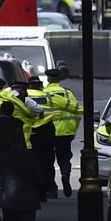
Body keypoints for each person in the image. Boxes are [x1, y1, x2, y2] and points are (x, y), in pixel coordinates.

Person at [43, 68, 83, 197]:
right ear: (59, 79)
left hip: (48, 131)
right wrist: (74, 129)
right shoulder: (67, 93)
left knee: (48, 160)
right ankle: (65, 175)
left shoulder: (44, 93)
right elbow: (78, 112)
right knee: (64, 158)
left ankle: (52, 188)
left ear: (48, 79)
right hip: (66, 131)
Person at [27, 76, 58, 200]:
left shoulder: (25, 97)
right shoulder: (48, 96)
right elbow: (69, 106)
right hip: (46, 131)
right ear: (40, 85)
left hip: (30, 131)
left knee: (32, 162)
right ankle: (50, 188)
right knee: (48, 162)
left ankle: (34, 189)